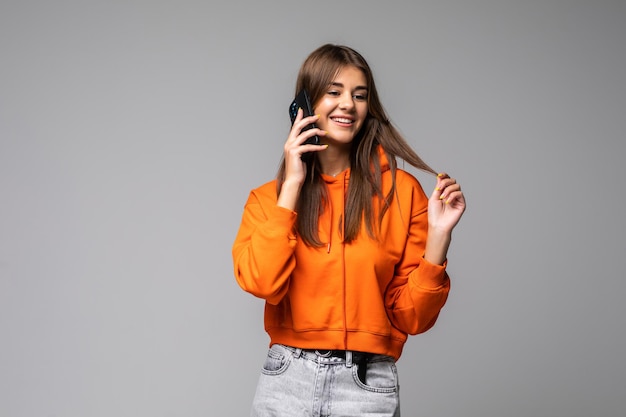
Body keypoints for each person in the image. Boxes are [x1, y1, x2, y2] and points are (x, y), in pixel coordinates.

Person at [232, 44, 466, 417]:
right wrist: (292, 183)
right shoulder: (269, 200)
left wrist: (439, 236)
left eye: (360, 95)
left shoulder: (402, 193)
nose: (348, 105)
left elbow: (412, 318)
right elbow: (262, 283)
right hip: (286, 381)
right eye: (334, 92)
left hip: (367, 385)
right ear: (305, 104)